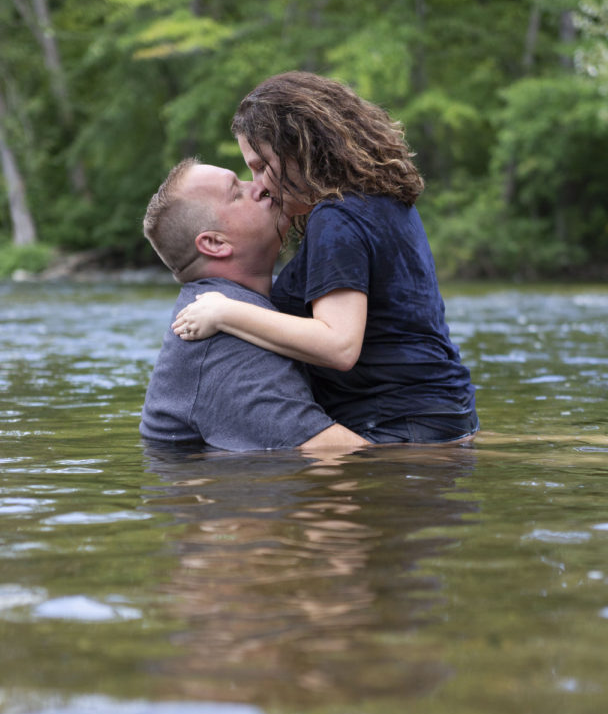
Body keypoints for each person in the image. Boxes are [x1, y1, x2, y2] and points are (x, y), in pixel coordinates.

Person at [173, 71, 479, 445]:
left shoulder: (336, 216)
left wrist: (224, 313)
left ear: (300, 148)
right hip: (443, 414)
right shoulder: (380, 199)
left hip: (398, 425)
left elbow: (339, 346)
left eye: (260, 165)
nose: (260, 184)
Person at [139, 157, 368, 452]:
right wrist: (442, 454)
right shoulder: (221, 340)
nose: (261, 185)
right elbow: (335, 451)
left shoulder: (239, 306)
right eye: (236, 193)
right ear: (214, 244)